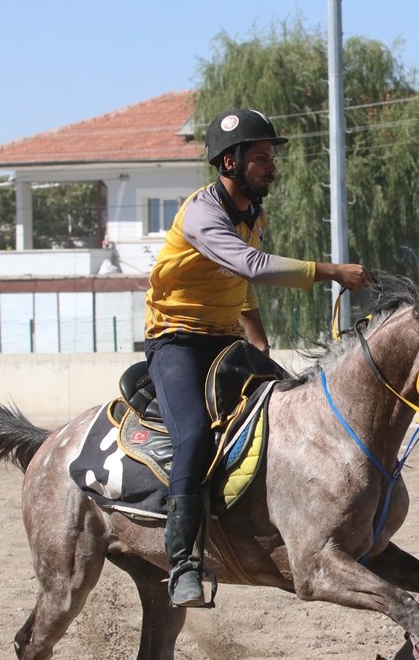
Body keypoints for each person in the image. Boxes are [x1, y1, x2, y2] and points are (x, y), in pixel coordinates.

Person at [144, 108, 371, 607]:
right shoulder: (202, 213)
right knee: (195, 435)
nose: (272, 166)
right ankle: (183, 562)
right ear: (230, 161)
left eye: (272, 157)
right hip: (177, 343)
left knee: (295, 404)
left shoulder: (253, 215)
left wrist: (261, 346)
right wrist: (329, 271)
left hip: (226, 340)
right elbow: (249, 265)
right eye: (262, 157)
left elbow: (241, 286)